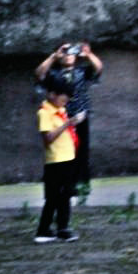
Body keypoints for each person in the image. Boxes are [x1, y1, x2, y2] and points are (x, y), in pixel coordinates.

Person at [34, 39, 104, 196]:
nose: (68, 56)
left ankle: (82, 185)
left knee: (82, 151)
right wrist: (54, 56)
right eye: (65, 53)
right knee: (62, 152)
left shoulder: (82, 72)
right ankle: (64, 185)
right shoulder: (54, 74)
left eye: (71, 53)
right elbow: (39, 74)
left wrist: (88, 54)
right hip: (60, 118)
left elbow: (98, 68)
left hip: (80, 116)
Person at [34, 73, 81, 242]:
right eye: (63, 97)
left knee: (66, 195)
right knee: (53, 197)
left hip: (68, 158)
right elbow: (48, 138)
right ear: (52, 94)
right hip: (55, 160)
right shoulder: (44, 112)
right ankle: (43, 229)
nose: (66, 101)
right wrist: (67, 124)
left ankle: (63, 228)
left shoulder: (61, 110)